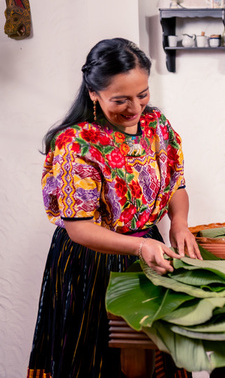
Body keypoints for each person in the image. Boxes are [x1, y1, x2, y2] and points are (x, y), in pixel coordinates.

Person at [27, 38, 202, 378]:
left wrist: (179, 224)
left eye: (142, 95)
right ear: (94, 94)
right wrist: (141, 245)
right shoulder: (76, 143)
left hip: (149, 251)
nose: (134, 108)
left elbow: (176, 186)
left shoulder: (157, 127)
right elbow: (78, 227)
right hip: (91, 262)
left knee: (156, 357)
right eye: (120, 100)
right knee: (98, 359)